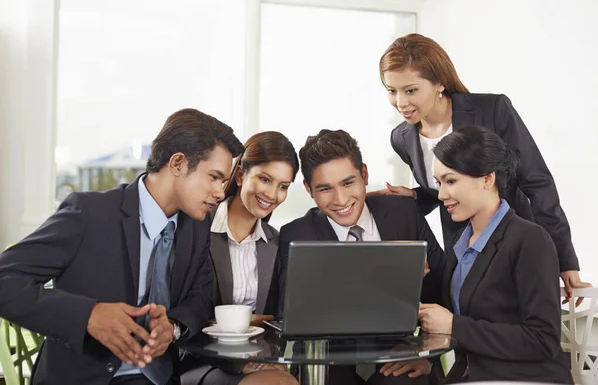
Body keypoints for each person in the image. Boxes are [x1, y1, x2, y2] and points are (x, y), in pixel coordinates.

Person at [0, 108, 244, 385]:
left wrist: (173, 327)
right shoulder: (89, 214)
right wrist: (88, 315)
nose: (221, 193)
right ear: (177, 163)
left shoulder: (196, 227)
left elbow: (200, 300)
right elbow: (4, 279)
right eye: (214, 177)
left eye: (223, 181)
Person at [374, 33, 587, 301]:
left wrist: (564, 257)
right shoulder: (402, 138)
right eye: (391, 91)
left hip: (512, 243)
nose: (400, 102)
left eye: (411, 90)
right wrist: (417, 195)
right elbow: (446, 187)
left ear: (439, 82)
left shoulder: (492, 110)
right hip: (462, 250)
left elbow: (537, 181)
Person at [278, 129, 446, 385]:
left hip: (400, 352)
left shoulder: (403, 213)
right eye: (325, 189)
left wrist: (426, 356)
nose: (341, 200)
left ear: (364, 175)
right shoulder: (296, 234)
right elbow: (285, 315)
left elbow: (443, 293)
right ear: (309, 189)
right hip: (328, 359)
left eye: (348, 183)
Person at [417, 125, 574, 383]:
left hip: (527, 378)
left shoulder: (530, 240)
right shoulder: (461, 243)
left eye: (451, 181)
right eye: (438, 183)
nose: (442, 194)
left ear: (487, 179)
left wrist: (455, 326)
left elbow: (543, 339)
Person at [180, 131, 300, 385]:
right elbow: (187, 316)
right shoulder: (198, 230)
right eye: (265, 179)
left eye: (283, 186)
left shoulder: (276, 244)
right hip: (199, 361)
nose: (272, 194)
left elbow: (280, 320)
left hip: (259, 363)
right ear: (241, 174)